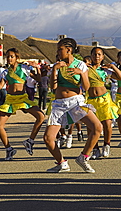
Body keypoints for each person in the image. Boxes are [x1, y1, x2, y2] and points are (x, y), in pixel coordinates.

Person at [43, 38, 102, 173]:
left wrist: (81, 73)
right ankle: (61, 163)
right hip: (59, 104)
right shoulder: (57, 65)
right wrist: (54, 70)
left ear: (68, 50)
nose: (57, 52)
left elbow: (86, 87)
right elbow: (53, 86)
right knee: (48, 138)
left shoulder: (81, 65)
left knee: (97, 127)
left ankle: (83, 157)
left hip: (76, 102)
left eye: (60, 49)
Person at [0, 48, 45, 160]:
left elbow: (38, 79)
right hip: (10, 100)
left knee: (41, 116)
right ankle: (9, 149)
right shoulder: (5, 72)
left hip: (22, 98)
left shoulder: (24, 69)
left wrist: (37, 68)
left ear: (17, 58)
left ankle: (30, 141)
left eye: (12, 56)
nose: (9, 58)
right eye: (7, 56)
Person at [86, 47, 121, 159]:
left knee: (107, 123)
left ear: (102, 57)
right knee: (91, 126)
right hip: (91, 100)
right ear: (91, 56)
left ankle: (107, 145)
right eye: (94, 54)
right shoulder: (86, 69)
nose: (96, 56)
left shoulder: (104, 70)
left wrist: (113, 67)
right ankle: (95, 149)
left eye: (99, 54)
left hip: (104, 100)